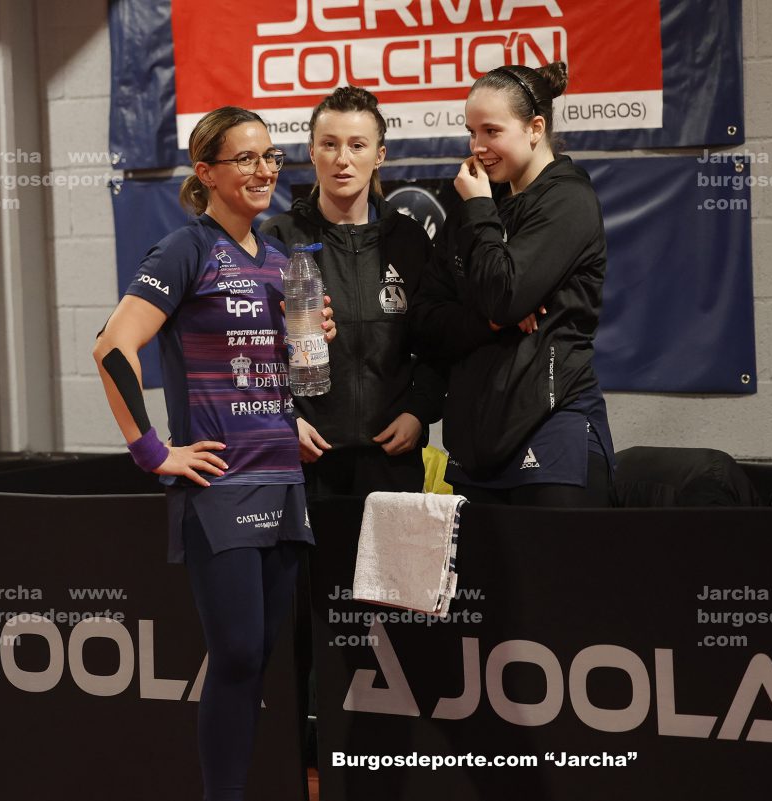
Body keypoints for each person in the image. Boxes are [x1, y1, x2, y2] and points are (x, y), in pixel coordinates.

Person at [92, 106, 335, 801]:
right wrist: (152, 451)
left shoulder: (284, 263)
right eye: (245, 159)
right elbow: (112, 348)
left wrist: (302, 380)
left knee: (257, 661)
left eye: (270, 157)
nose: (264, 170)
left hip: (282, 479)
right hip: (221, 484)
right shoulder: (185, 249)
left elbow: (274, 372)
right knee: (234, 654)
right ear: (206, 172)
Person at [412, 62, 615, 506]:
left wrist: (480, 210)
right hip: (475, 443)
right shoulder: (474, 204)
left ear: (535, 128)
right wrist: (489, 322)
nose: (477, 147)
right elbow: (426, 317)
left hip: (550, 430)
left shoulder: (568, 200)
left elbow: (503, 295)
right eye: (472, 132)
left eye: (492, 131)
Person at [261, 86, 443, 497]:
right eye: (329, 144)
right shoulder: (279, 238)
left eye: (357, 145)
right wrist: (285, 419)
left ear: (379, 155)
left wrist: (419, 412)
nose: (342, 159)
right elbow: (257, 346)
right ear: (312, 152)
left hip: (392, 453)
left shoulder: (409, 240)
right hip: (309, 453)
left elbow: (434, 342)